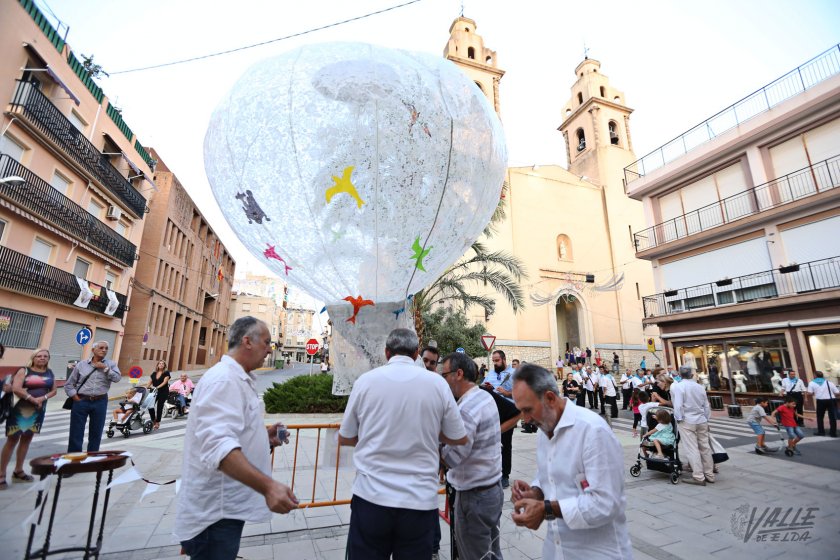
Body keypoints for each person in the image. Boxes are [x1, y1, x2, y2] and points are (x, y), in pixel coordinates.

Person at [174, 317, 298, 559]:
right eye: (266, 342)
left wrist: (262, 438)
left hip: (224, 512)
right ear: (247, 342)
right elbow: (219, 448)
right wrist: (269, 487)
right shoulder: (224, 380)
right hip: (216, 515)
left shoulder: (237, 378)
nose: (270, 349)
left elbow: (228, 433)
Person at [338, 328, 467, 560]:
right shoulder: (437, 385)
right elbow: (458, 437)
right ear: (417, 353)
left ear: (387, 353)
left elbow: (345, 437)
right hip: (419, 501)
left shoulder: (365, 382)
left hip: (371, 497)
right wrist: (429, 432)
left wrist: (371, 436)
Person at [509, 364, 632, 559]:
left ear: (550, 398)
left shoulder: (592, 431)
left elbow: (605, 503)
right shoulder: (544, 429)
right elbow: (548, 475)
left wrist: (545, 509)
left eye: (528, 409)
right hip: (556, 550)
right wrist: (535, 492)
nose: (525, 419)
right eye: (520, 411)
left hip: (597, 553)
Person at [439, 352, 503, 560]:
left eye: (444, 375)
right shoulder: (484, 397)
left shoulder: (466, 410)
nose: (443, 381)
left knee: (474, 555)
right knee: (492, 553)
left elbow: (452, 458)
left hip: (474, 498)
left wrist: (432, 441)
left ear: (458, 374)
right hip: (491, 490)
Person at [1, 348, 57, 487]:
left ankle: (18, 471)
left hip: (37, 411)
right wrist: (33, 399)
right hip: (19, 410)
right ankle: (1, 474)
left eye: (45, 356)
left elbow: (54, 390)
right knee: (12, 440)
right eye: (39, 356)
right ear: (33, 358)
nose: (42, 358)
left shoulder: (50, 372)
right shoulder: (24, 370)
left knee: (27, 439)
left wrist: (42, 398)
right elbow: (16, 388)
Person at [65, 341, 122, 453]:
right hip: (81, 400)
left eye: (106, 348)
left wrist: (105, 369)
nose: (104, 350)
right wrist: (74, 396)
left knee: (96, 432)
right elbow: (69, 384)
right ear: (93, 350)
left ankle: (93, 456)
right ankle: (74, 457)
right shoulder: (81, 364)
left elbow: (117, 378)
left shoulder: (111, 364)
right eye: (101, 348)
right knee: (76, 431)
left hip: (100, 401)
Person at [419, 345, 443, 559]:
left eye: (432, 363)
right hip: (414, 451)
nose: (427, 365)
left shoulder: (439, 385)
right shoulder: (413, 380)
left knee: (428, 497)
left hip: (430, 452)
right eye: (425, 360)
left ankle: (433, 546)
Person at [672, 366, 714, 485]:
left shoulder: (680, 386)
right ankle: (709, 474)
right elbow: (706, 405)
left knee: (692, 448)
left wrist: (679, 419)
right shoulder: (700, 387)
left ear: (680, 375)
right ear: (691, 375)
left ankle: (699, 476)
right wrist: (706, 418)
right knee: (705, 447)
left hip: (687, 419)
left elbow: (678, 405)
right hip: (701, 419)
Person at [482, 349, 515, 488]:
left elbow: (521, 393)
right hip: (492, 412)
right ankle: (493, 472)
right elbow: (482, 386)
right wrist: (487, 387)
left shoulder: (514, 374)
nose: (495, 363)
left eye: (497, 360)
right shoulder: (490, 374)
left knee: (505, 444)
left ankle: (505, 474)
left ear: (504, 359)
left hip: (508, 413)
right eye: (493, 361)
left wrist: (507, 393)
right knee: (491, 444)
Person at [807, 370, 838, 437]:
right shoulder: (829, 382)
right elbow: (837, 392)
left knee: (820, 417)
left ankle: (821, 432)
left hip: (821, 401)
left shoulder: (812, 383)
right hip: (831, 400)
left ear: (815, 375)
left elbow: (810, 393)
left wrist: (815, 393)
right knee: (832, 417)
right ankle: (833, 433)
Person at [146, 360, 171, 429]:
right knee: (150, 406)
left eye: (163, 364)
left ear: (164, 366)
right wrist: (146, 388)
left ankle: (157, 422)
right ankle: (153, 419)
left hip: (163, 392)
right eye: (160, 363)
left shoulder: (166, 373)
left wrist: (157, 387)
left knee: (159, 406)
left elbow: (164, 382)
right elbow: (150, 382)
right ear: (157, 365)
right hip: (154, 392)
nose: (161, 364)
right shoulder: (154, 373)